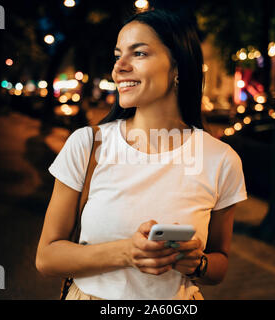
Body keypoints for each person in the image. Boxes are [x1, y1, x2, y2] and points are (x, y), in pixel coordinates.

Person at [36, 9, 247, 300]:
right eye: (118, 54)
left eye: (139, 54)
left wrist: (197, 263)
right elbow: (47, 258)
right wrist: (126, 252)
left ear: (178, 68)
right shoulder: (87, 145)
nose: (119, 67)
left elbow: (219, 265)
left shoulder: (222, 160)